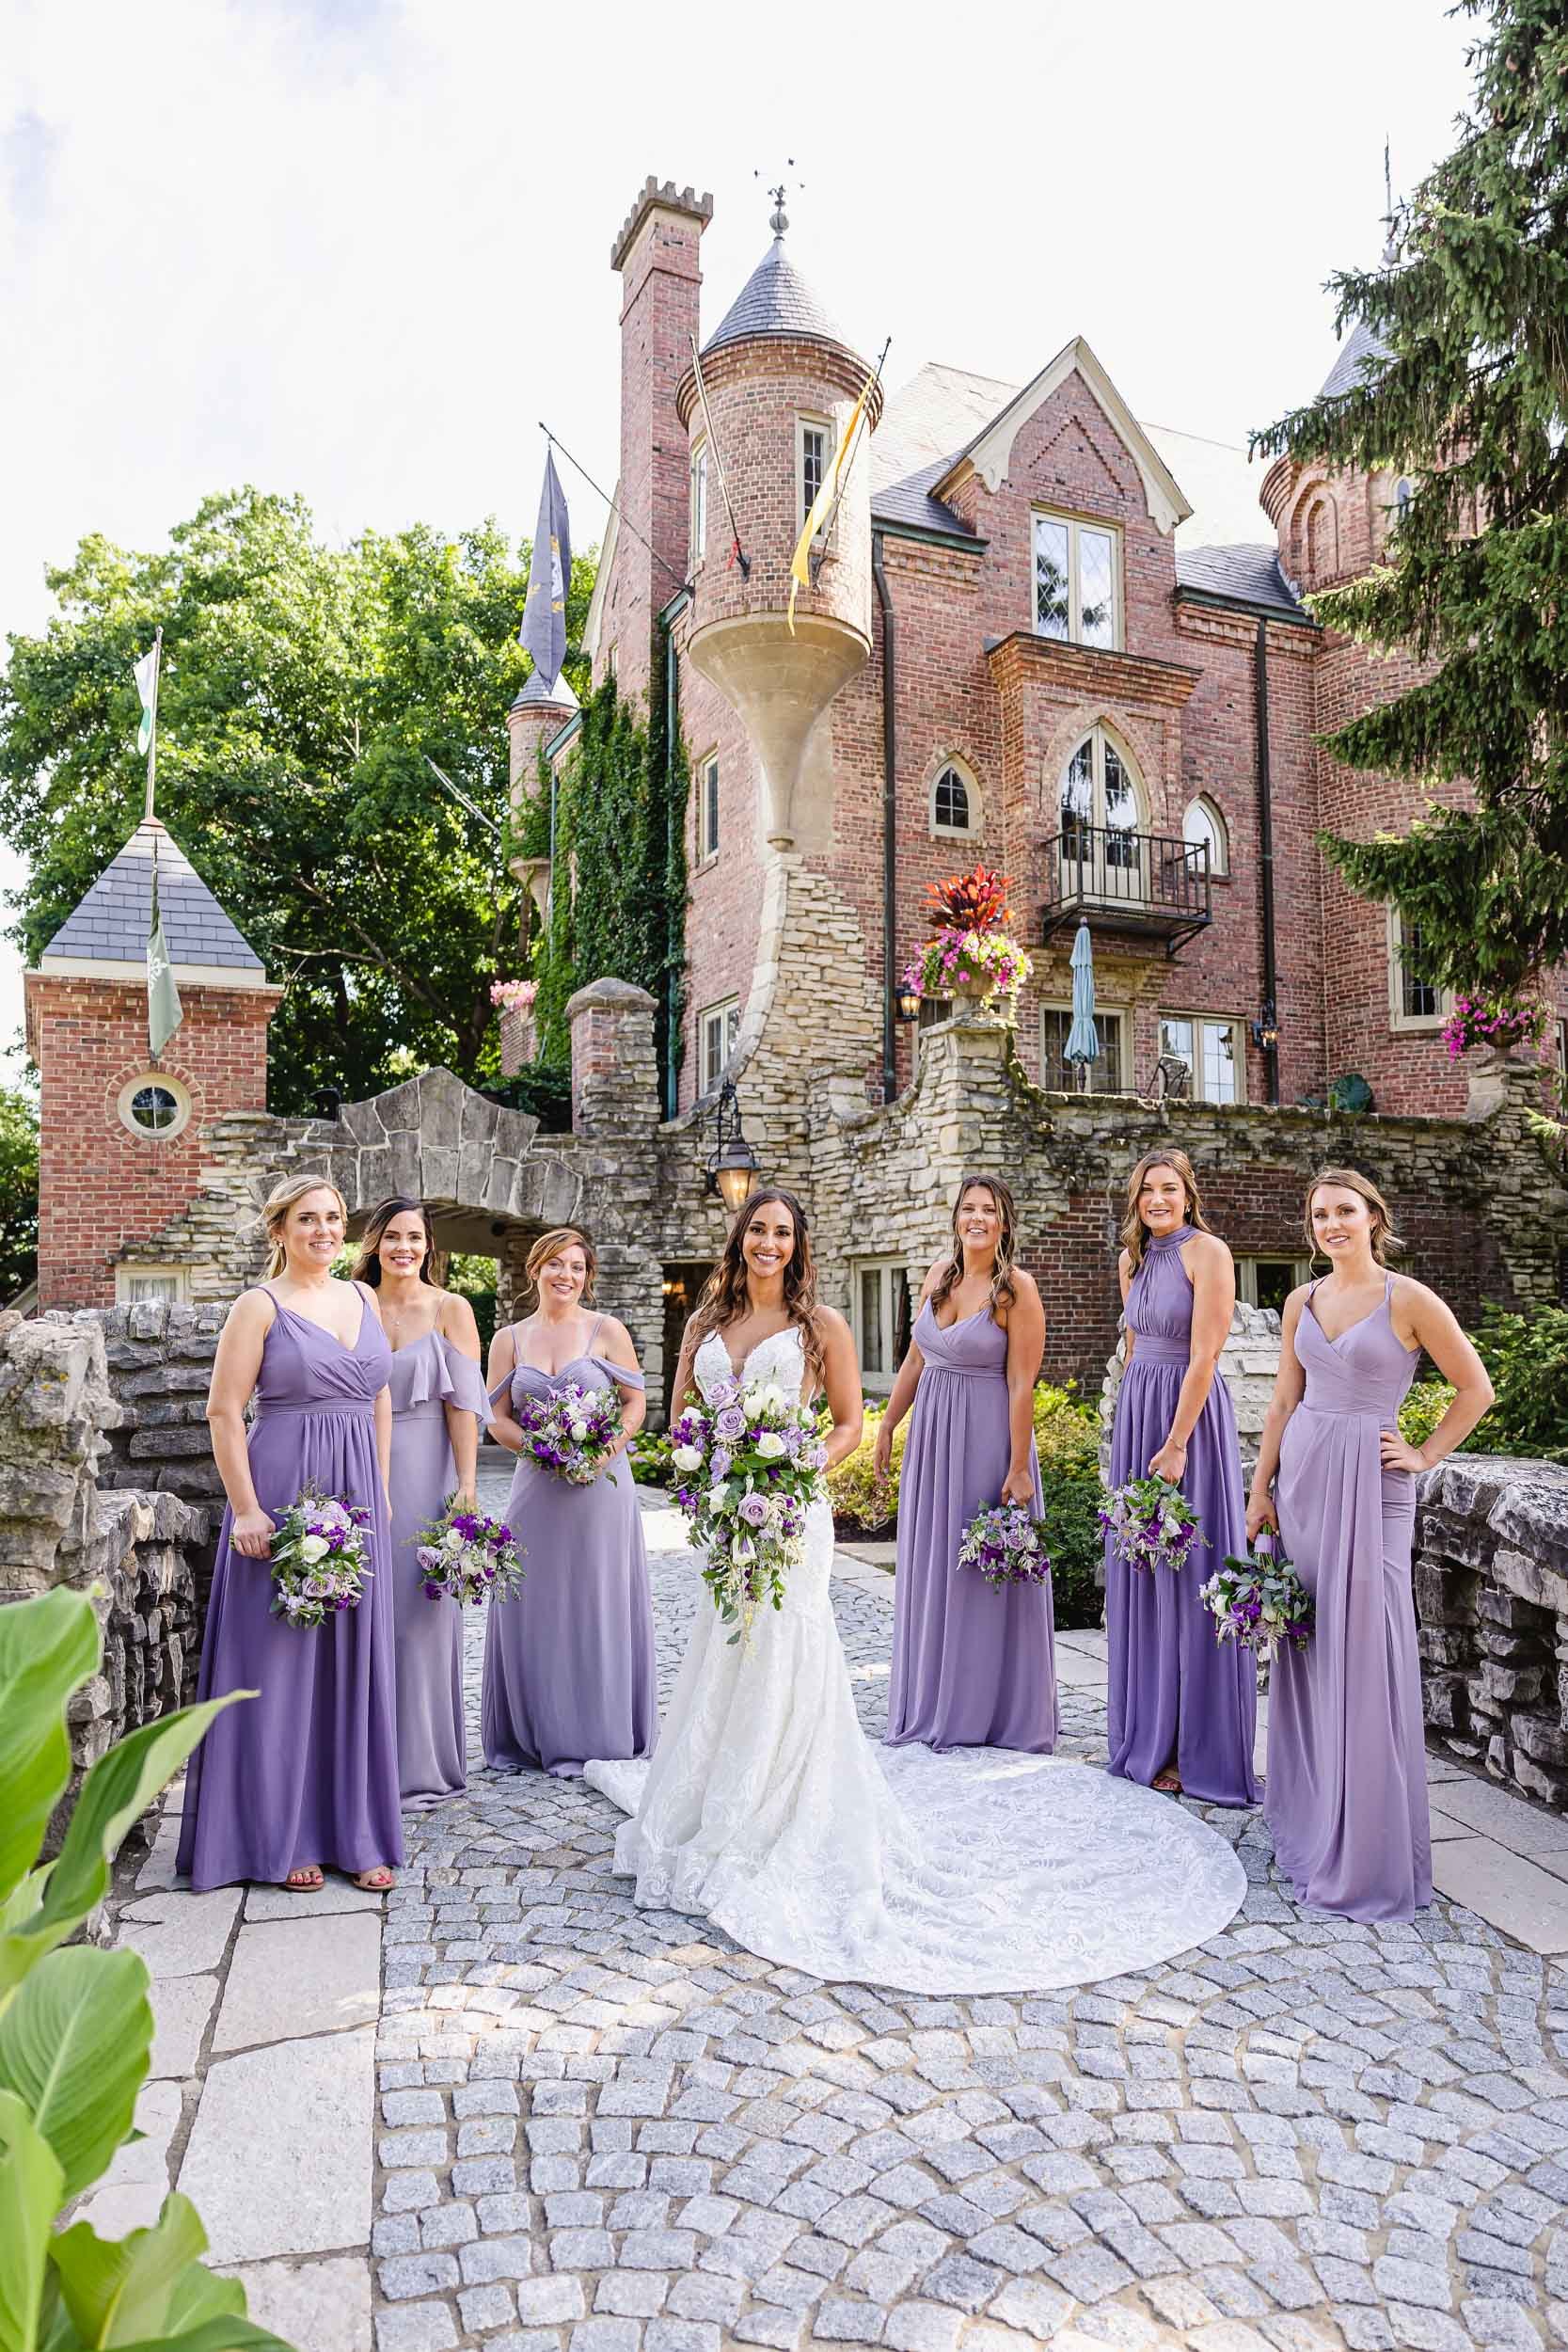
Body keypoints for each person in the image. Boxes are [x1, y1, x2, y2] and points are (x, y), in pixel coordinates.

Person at [585, 1188, 1249, 1994]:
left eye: (782, 1231)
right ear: (739, 1237)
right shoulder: (706, 1323)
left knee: (792, 1639)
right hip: (730, 1510)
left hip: (793, 1505)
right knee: (723, 1642)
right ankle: (718, 1787)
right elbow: (684, 1414)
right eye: (756, 1229)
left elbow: (853, 1418)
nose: (767, 1241)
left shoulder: (832, 1322)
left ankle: (808, 1784)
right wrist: (713, 1469)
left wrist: (794, 1470)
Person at [1249, 1167, 1493, 1921]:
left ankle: (1371, 1849)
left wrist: (1422, 1454)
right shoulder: (1300, 1300)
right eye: (1319, 1214)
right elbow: (1285, 1399)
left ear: (1372, 1218)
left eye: (1344, 1211)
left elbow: (1474, 1388)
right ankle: (1313, 1817)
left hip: (1374, 1485)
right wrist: (1259, 1490)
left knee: (1370, 1653)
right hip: (1305, 1482)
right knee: (1310, 1646)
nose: (1331, 1224)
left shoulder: (1408, 1299)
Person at [177, 1176, 403, 1893]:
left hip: (357, 1494)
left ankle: (356, 1832)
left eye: (334, 1218)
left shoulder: (364, 1298)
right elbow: (223, 1412)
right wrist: (246, 1509)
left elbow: (379, 1400)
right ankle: (281, 1834)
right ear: (279, 1230)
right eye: (308, 1219)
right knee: (279, 1663)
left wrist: (383, 1492)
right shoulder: (258, 1306)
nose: (324, 1230)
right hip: (282, 1488)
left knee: (350, 1662)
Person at [878, 1173, 1057, 1753]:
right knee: (935, 1562)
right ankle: (932, 1698)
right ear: (956, 1217)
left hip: (987, 1441)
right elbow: (914, 1359)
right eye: (968, 1208)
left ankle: (986, 1709)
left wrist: (1018, 1466)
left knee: (981, 1573)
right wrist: (887, 1424)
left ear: (1004, 1222)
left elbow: (1021, 1385)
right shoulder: (939, 1275)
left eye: (988, 1210)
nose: (976, 1218)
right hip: (933, 1442)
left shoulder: (1016, 1289)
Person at [1104, 1150, 1257, 1804]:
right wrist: (1127, 1434)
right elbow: (1134, 1347)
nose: (1156, 1199)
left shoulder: (1208, 1253)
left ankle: (1199, 1746)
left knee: (1192, 1574)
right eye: (1146, 1190)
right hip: (1139, 1413)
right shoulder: (1131, 1261)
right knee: (1143, 1574)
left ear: (1187, 1196)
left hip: (1185, 1423)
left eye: (1167, 1189)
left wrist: (1174, 1443)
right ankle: (1150, 1733)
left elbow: (1205, 1354)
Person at [481, 1226, 656, 1777]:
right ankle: (534, 1731)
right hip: (537, 1486)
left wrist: (604, 1450)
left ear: (588, 1276)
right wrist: (541, 1446)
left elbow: (635, 1403)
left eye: (577, 1267)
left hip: (601, 1486)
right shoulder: (508, 1339)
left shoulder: (607, 1330)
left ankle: (597, 1732)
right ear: (536, 1269)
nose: (567, 1276)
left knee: (596, 1600)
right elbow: (495, 1417)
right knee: (532, 1600)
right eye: (556, 1264)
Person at [351, 1197, 488, 1810]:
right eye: (392, 1237)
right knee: (362, 1612)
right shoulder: (352, 1304)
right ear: (374, 1243)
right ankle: (361, 1761)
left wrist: (465, 1485)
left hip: (426, 1468)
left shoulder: (451, 1309)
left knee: (422, 1616)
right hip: (356, 1468)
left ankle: (421, 1767)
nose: (403, 1248)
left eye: (414, 1237)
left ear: (429, 1245)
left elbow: (463, 1404)